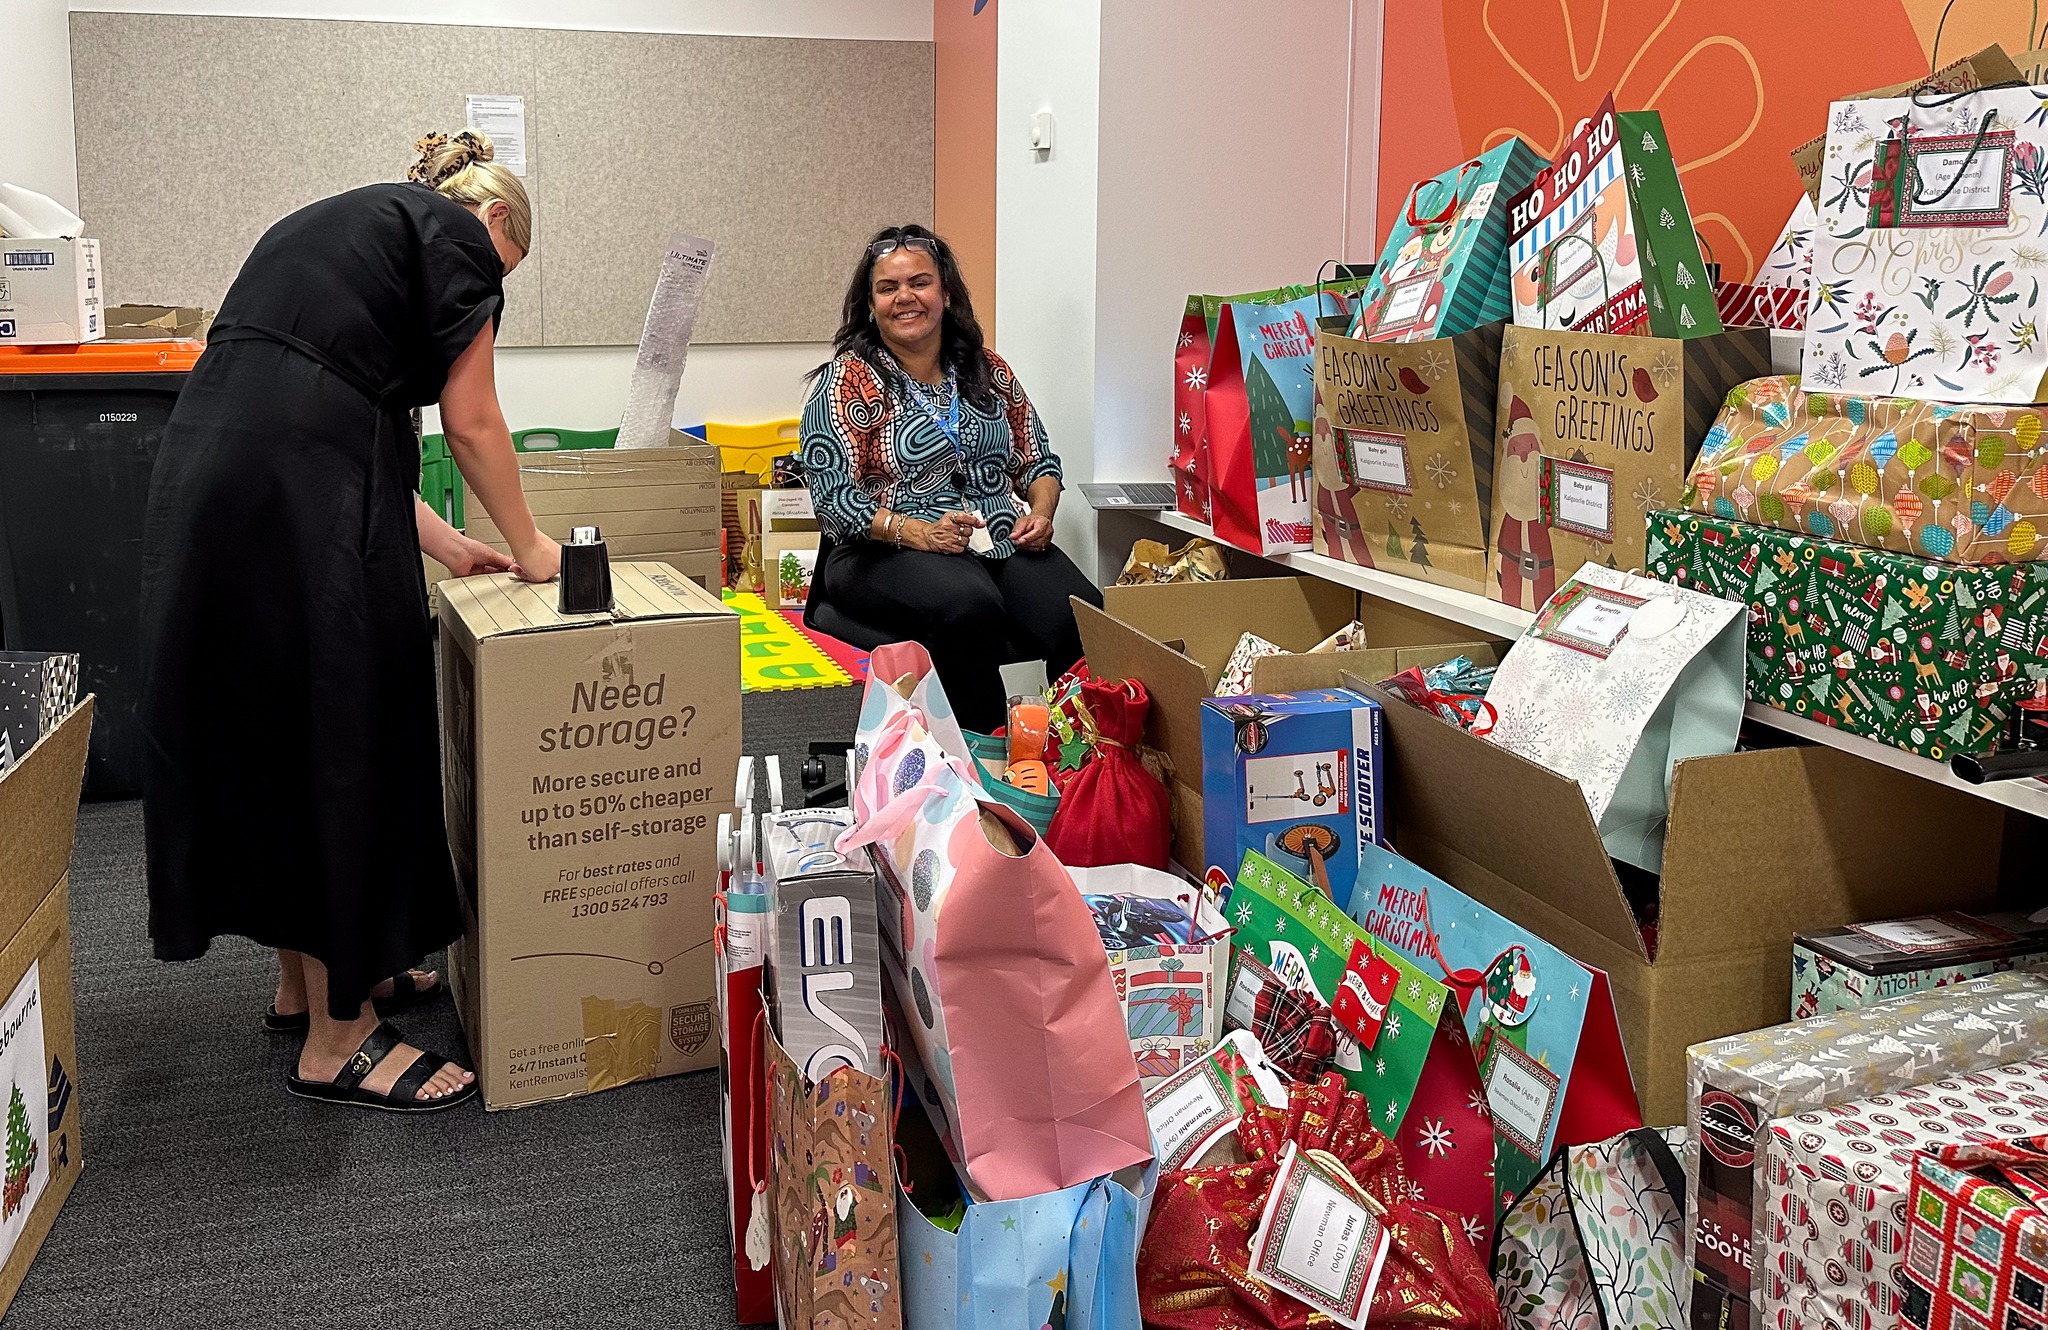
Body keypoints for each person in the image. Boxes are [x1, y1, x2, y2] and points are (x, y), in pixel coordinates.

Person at [140, 130, 560, 1113]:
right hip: (296, 488)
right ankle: (341, 1039)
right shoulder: (456, 239)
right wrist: (535, 546)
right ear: (495, 223)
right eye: (503, 279)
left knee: (287, 726)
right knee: (349, 727)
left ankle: (313, 983)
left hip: (222, 474)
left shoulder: (351, 226)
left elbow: (324, 401)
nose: (485, 304)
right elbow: (472, 421)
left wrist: (450, 546)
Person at [801, 224, 1101, 732]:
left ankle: (1067, 752)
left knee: (1084, 613)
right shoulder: (846, 380)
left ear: (945, 293)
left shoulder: (988, 369)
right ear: (870, 305)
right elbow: (833, 501)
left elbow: (1039, 460)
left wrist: (1043, 513)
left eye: (919, 282)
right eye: (888, 288)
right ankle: (983, 760)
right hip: (880, 546)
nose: (905, 298)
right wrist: (918, 532)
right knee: (970, 607)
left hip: (996, 537)